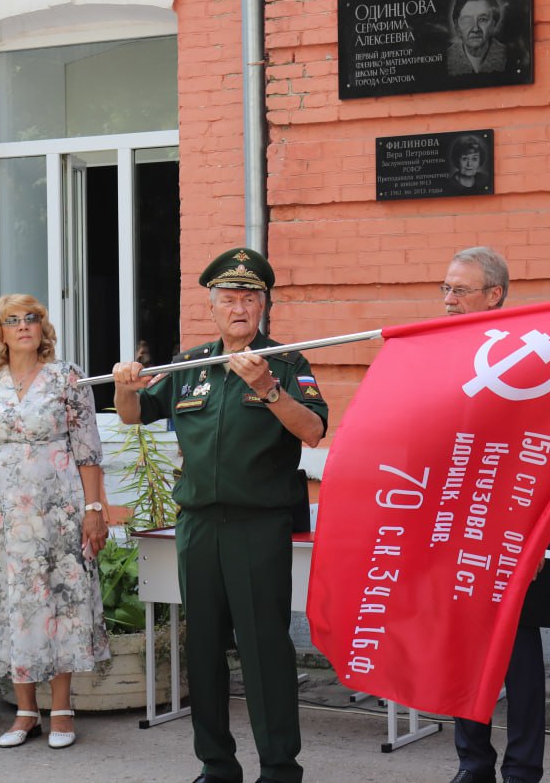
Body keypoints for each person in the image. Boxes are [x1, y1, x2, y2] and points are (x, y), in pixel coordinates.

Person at [112, 247, 328, 783]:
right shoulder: (192, 365)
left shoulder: (287, 362)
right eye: (228, 299)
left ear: (263, 307)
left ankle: (279, 767)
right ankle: (216, 764)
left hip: (258, 525)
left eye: (249, 299)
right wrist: (124, 384)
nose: (239, 308)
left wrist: (266, 388)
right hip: (198, 525)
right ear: (211, 309)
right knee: (203, 650)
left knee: (263, 650)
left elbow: (313, 430)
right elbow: (135, 414)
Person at [442, 247, 550, 783]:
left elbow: (545, 458)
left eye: (460, 291)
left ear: (494, 295)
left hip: (511, 530)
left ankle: (522, 770)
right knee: (460, 653)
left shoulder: (528, 365)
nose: (448, 301)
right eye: (445, 289)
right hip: (453, 525)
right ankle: (473, 763)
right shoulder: (438, 354)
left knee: (517, 658)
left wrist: (536, 538)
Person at [0, 295, 109, 750]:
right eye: (13, 319)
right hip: (2, 514)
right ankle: (26, 712)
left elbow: (88, 450)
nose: (24, 326)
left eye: (33, 318)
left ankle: (62, 709)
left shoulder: (68, 377)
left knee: (58, 601)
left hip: (57, 510)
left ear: (43, 329)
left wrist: (94, 510)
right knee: (14, 603)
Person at [447, 0, 507, 75]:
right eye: (467, 20)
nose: (475, 28)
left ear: (493, 24)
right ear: (457, 26)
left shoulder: (511, 57)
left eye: (483, 19)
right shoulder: (445, 59)